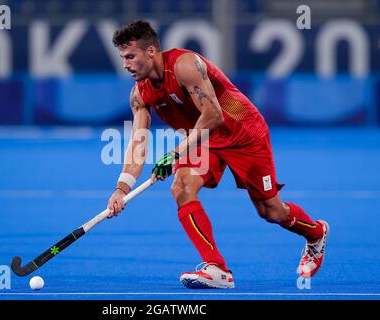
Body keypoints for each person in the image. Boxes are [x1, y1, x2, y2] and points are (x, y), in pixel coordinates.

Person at [107, 20, 329, 289]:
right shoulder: (139, 94)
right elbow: (137, 144)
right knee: (182, 187)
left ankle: (316, 233)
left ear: (151, 51)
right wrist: (121, 189)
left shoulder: (185, 66)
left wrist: (175, 154)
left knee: (271, 212)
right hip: (202, 139)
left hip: (243, 132)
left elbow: (213, 115)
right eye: (123, 58)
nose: (126, 65)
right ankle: (217, 268)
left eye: (131, 56)